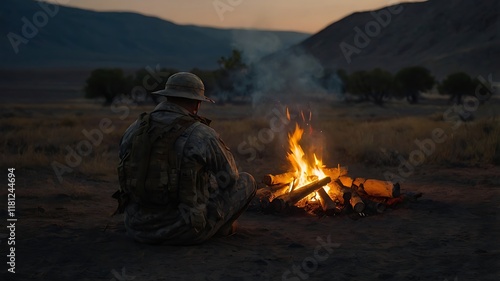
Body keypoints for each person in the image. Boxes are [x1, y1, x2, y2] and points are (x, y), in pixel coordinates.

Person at [113, 72, 256, 245]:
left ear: (167, 97)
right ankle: (220, 228)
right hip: (184, 231)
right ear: (196, 103)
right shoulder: (201, 133)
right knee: (247, 181)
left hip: (136, 227)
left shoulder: (134, 129)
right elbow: (230, 177)